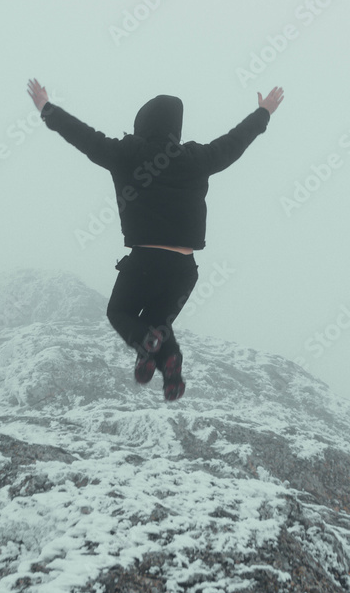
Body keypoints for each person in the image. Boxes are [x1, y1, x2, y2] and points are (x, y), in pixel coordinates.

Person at [27, 78, 284, 401]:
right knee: (156, 327)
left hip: (146, 261)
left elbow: (84, 137)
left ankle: (151, 353)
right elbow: (235, 142)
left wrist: (47, 109)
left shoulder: (126, 154)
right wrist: (263, 113)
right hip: (184, 268)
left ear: (142, 122)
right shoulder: (196, 158)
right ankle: (169, 371)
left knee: (120, 313)